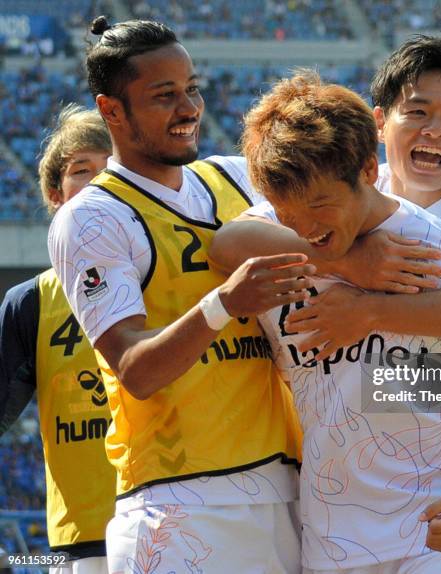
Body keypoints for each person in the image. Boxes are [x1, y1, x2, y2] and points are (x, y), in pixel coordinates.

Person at [209, 36, 441, 574]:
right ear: (381, 124)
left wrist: (367, 313)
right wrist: (346, 264)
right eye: (417, 111)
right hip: (333, 535)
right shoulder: (298, 207)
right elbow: (226, 245)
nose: (305, 226)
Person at [48, 17, 315, 574]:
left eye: (191, 88)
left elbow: (345, 211)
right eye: (163, 95)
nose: (188, 107)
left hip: (290, 487)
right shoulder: (93, 218)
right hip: (181, 504)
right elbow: (135, 369)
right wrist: (221, 306)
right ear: (112, 110)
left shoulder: (236, 178)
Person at [0, 104, 114, 574]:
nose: (98, 185)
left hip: (196, 517)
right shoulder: (31, 303)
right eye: (82, 171)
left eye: (112, 172)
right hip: (87, 542)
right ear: (54, 194)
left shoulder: (192, 275)